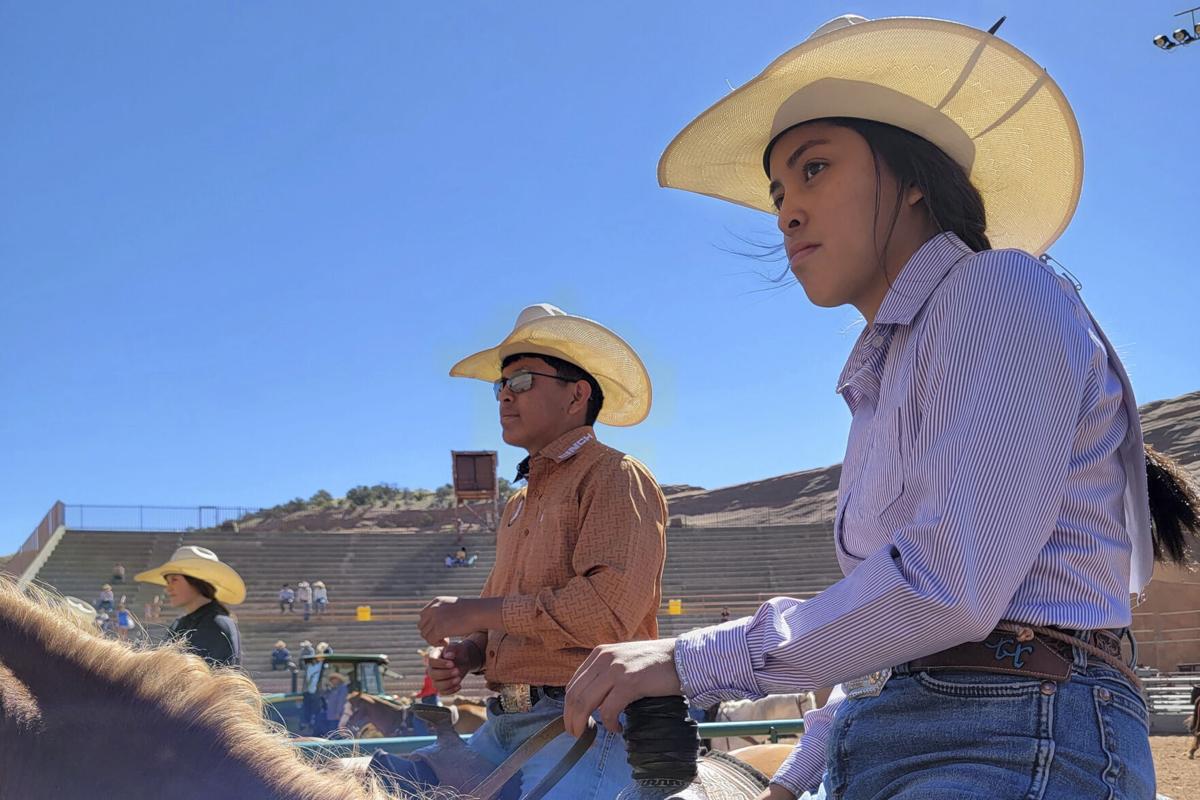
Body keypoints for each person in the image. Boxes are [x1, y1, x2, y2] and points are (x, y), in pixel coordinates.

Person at [562, 14, 1200, 800]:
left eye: (816, 169)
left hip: (1018, 734)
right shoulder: (890, 371)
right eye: (778, 192)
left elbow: (947, 586)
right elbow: (894, 633)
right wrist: (792, 780)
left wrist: (693, 660)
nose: (787, 212)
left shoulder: (997, 287)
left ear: (914, 178)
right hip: (936, 732)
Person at [369, 303, 668, 798]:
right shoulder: (520, 501)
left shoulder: (615, 476)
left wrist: (474, 611)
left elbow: (607, 613)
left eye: (523, 380)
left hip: (585, 719)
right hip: (505, 722)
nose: (505, 395)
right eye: (500, 386)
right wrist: (469, 653)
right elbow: (505, 621)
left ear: (577, 395)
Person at [135, 545, 245, 667]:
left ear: (196, 581)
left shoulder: (216, 624)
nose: (168, 589)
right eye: (168, 582)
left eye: (174, 580)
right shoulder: (181, 624)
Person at [313, 672, 349, 738]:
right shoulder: (333, 689)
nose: (332, 681)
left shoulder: (342, 688)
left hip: (337, 715)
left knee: (335, 732)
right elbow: (325, 697)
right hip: (330, 715)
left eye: (334, 679)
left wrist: (338, 713)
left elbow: (341, 702)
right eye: (331, 679)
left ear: (338, 680)